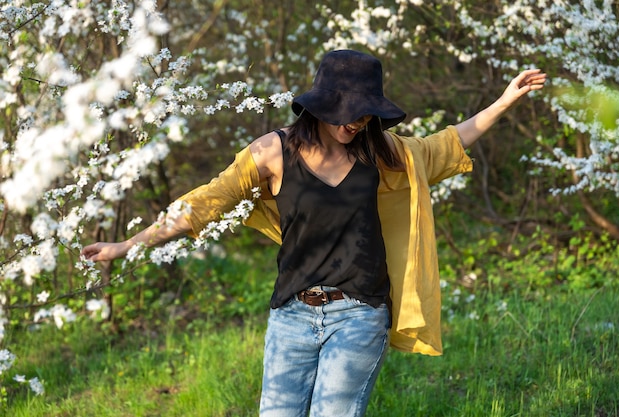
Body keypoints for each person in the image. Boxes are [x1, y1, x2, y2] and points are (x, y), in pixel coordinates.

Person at [82, 49, 546, 417]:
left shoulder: (385, 153)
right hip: (291, 316)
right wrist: (126, 246)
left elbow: (446, 144)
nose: (355, 122)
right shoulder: (272, 151)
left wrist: (504, 101)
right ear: (320, 105)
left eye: (364, 114)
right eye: (346, 112)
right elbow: (203, 204)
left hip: (360, 315)